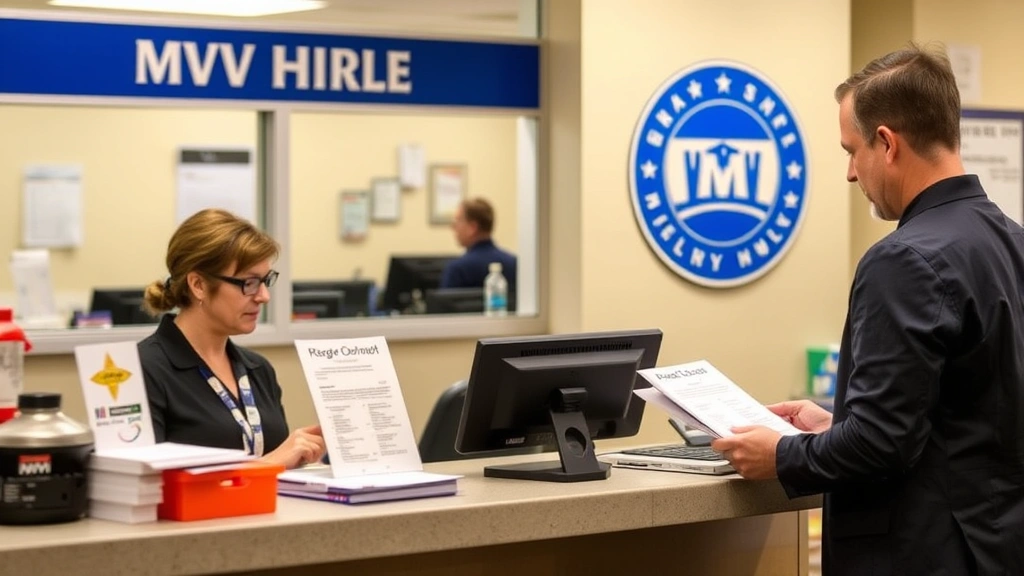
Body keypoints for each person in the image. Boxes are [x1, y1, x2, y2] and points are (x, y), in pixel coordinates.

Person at [711, 45, 1024, 575]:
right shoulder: (1011, 242)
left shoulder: (903, 259)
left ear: (887, 142)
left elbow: (883, 445)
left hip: (923, 554)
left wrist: (781, 456)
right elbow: (967, 415)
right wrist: (838, 426)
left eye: (851, 151)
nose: (851, 174)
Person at [139, 208, 326, 469]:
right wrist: (269, 464)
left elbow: (276, 471)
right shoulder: (142, 370)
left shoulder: (258, 369)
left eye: (264, 281)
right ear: (198, 285)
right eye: (248, 283)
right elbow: (150, 484)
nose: (263, 296)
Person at [440, 197, 517, 290]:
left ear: (472, 228)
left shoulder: (457, 270)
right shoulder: (514, 263)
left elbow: (444, 304)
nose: (453, 227)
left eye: (458, 221)